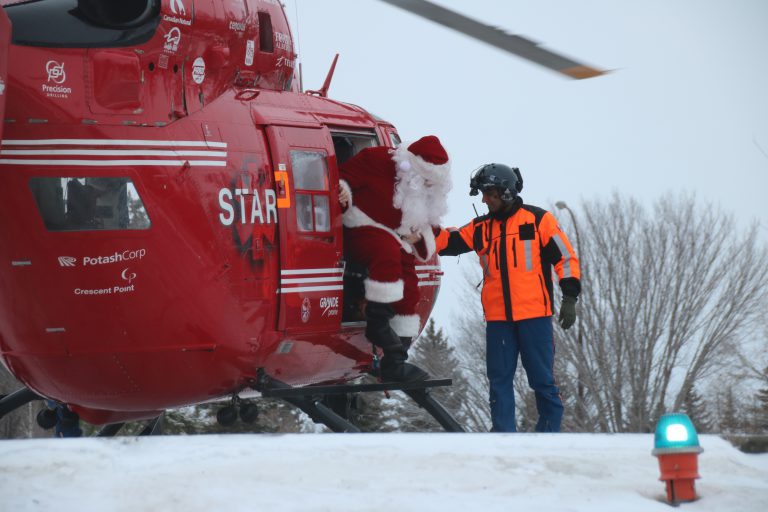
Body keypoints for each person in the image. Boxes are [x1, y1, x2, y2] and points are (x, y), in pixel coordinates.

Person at [435, 163, 580, 432]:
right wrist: (422, 227)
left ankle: (548, 436)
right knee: (499, 381)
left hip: (535, 317)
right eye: (483, 193)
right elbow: (448, 242)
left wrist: (570, 296)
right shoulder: (481, 228)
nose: (484, 199)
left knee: (542, 381)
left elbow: (565, 258)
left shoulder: (538, 221)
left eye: (489, 193)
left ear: (506, 193)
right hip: (499, 320)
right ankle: (503, 437)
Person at [338, 135, 452, 382]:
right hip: (362, 223)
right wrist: (342, 191)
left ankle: (395, 358)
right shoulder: (377, 159)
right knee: (386, 253)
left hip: (398, 236)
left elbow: (431, 225)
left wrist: (418, 237)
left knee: (410, 282)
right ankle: (377, 322)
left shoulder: (428, 189)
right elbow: (342, 176)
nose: (427, 186)